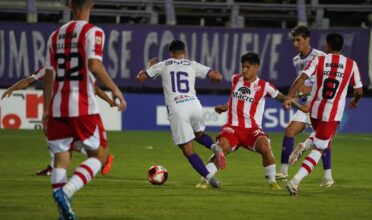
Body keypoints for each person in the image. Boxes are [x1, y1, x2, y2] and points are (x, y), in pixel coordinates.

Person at [43, 0, 127, 219]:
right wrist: (115, 90)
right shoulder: (93, 32)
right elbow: (94, 65)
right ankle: (66, 192)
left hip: (57, 107)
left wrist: (45, 111)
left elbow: (49, 76)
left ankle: (63, 211)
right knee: (99, 154)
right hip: (82, 105)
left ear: (69, 5)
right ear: (91, 3)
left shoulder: (54, 36)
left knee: (62, 158)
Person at [196, 52, 307, 190]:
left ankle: (272, 181)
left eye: (248, 67)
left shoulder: (264, 86)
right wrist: (225, 107)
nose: (244, 70)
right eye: (243, 67)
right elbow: (233, 98)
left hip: (252, 130)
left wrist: (301, 107)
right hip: (232, 128)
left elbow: (283, 97)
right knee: (221, 149)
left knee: (265, 147)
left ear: (256, 67)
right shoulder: (235, 79)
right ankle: (205, 179)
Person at [137, 39, 226, 188]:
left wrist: (148, 67)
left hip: (178, 108)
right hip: (194, 105)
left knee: (188, 150)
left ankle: (211, 180)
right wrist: (214, 81)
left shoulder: (164, 64)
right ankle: (214, 147)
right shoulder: (192, 64)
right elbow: (217, 76)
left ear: (170, 53)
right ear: (184, 52)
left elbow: (140, 78)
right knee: (199, 135)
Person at [283, 32, 363, 196]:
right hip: (332, 114)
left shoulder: (319, 60)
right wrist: (355, 101)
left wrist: (289, 97)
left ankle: (305, 145)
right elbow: (359, 90)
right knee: (321, 148)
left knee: (320, 138)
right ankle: (295, 181)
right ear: (342, 47)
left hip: (315, 110)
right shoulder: (351, 64)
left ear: (328, 46)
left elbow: (301, 78)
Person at [1, 66, 116, 177]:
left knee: (69, 140)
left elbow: (94, 88)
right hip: (60, 109)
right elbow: (29, 80)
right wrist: (12, 88)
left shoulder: (72, 69)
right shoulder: (49, 67)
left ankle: (102, 158)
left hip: (76, 109)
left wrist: (109, 100)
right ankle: (56, 165)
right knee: (53, 133)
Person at [276, 25, 335, 188]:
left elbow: (327, 84)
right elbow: (300, 83)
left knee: (323, 140)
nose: (295, 44)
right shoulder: (296, 59)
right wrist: (292, 98)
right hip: (304, 106)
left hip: (319, 105)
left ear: (307, 39)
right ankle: (283, 171)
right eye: (294, 40)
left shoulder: (321, 56)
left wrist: (305, 91)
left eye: (298, 40)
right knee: (289, 131)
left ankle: (327, 176)